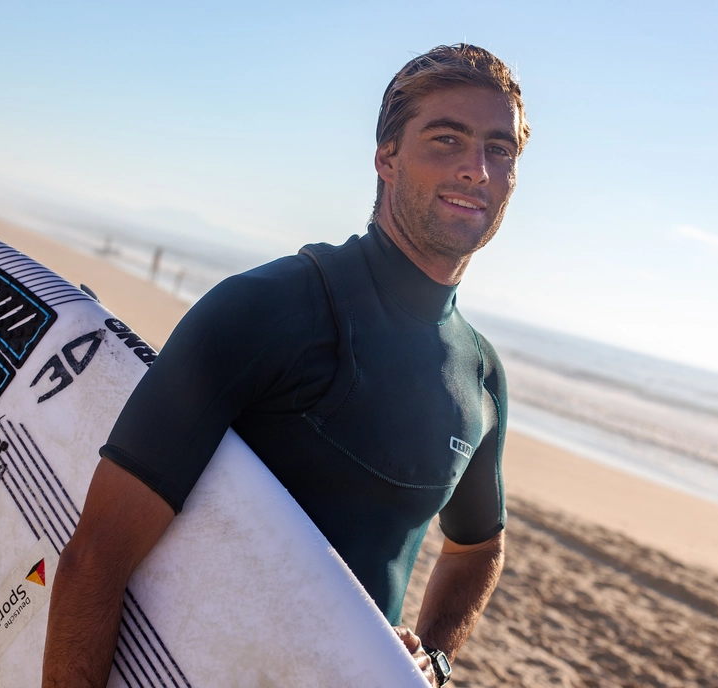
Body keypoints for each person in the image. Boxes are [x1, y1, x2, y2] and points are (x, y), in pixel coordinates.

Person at [43, 43, 530, 687]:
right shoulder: (269, 310)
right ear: (386, 157)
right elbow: (95, 559)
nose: (478, 169)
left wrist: (432, 660)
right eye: (447, 139)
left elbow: (477, 549)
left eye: (500, 150)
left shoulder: (481, 377)